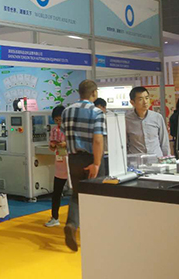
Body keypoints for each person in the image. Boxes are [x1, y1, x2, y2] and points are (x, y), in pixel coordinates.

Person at [62, 80, 106, 252]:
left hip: (73, 159)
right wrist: (97, 163)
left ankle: (72, 224)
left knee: (76, 194)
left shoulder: (66, 111)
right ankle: (96, 234)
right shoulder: (97, 112)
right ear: (94, 93)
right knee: (97, 196)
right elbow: (98, 140)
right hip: (90, 158)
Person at [125, 87, 169, 157]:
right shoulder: (127, 120)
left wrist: (167, 159)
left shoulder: (157, 117)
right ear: (132, 102)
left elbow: (164, 142)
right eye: (140, 99)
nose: (145, 102)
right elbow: (124, 144)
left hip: (156, 159)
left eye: (147, 98)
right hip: (136, 160)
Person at [45, 105, 68, 228]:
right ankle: (54, 217)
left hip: (70, 163)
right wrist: (53, 146)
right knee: (56, 193)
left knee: (77, 193)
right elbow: (51, 147)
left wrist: (66, 144)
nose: (59, 122)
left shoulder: (70, 129)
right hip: (59, 163)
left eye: (60, 119)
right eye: (56, 120)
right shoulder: (54, 130)